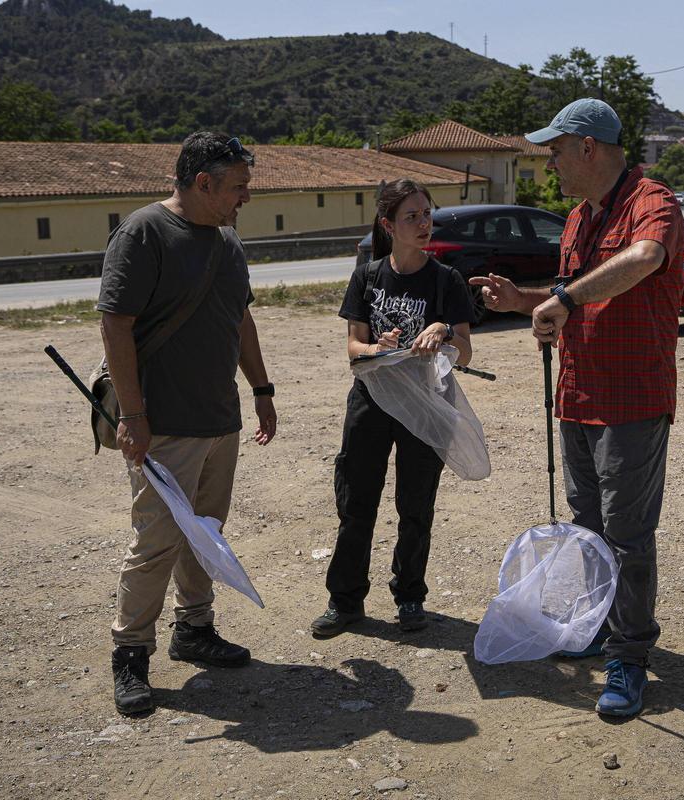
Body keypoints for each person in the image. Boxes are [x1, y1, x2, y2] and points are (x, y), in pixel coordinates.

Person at [470, 99, 684, 717]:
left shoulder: (652, 202)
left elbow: (643, 261)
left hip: (631, 401)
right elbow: (577, 299)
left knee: (627, 535)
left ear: (587, 147)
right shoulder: (574, 220)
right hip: (578, 398)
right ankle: (598, 625)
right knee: (589, 528)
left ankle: (630, 655)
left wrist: (560, 298)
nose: (551, 165)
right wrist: (526, 301)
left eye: (555, 151)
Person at [96, 131, 278, 715]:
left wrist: (262, 389)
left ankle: (194, 629)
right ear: (204, 183)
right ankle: (130, 655)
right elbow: (115, 324)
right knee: (155, 542)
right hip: (163, 424)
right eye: (239, 188)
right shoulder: (144, 232)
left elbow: (239, 319)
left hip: (218, 418)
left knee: (205, 533)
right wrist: (133, 415)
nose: (245, 198)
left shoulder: (228, 241)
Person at [310, 179, 476, 638]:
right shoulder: (367, 274)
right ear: (389, 225)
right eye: (412, 217)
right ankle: (345, 603)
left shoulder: (447, 280)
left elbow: (466, 352)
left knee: (415, 505)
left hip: (426, 405)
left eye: (427, 214)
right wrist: (378, 348)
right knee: (356, 502)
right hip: (372, 400)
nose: (424, 224)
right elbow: (352, 349)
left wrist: (442, 330)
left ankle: (409, 597)